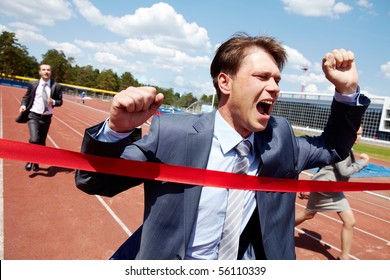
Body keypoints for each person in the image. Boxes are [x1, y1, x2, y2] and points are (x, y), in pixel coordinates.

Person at [75, 33, 370, 260]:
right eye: (262, 77)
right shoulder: (173, 135)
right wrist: (116, 130)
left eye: (277, 79)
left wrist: (345, 91)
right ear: (225, 83)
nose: (276, 87)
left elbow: (333, 146)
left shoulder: (280, 139)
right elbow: (94, 180)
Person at [295, 126, 369, 260]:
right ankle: (282, 229)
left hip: (330, 187)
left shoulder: (346, 147)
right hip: (326, 188)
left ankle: (344, 257)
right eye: (357, 134)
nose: (360, 137)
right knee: (310, 214)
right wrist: (363, 162)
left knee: (311, 214)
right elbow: (344, 171)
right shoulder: (343, 149)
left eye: (361, 134)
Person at [18, 64, 63, 172]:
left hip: (46, 117)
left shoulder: (56, 86)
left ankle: (36, 161)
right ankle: (29, 160)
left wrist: (54, 102)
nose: (46, 71)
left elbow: (60, 102)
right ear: (39, 72)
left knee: (41, 142)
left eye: (48, 70)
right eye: (44, 70)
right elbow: (26, 97)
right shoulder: (33, 84)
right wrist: (23, 105)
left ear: (50, 72)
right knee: (34, 139)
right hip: (33, 115)